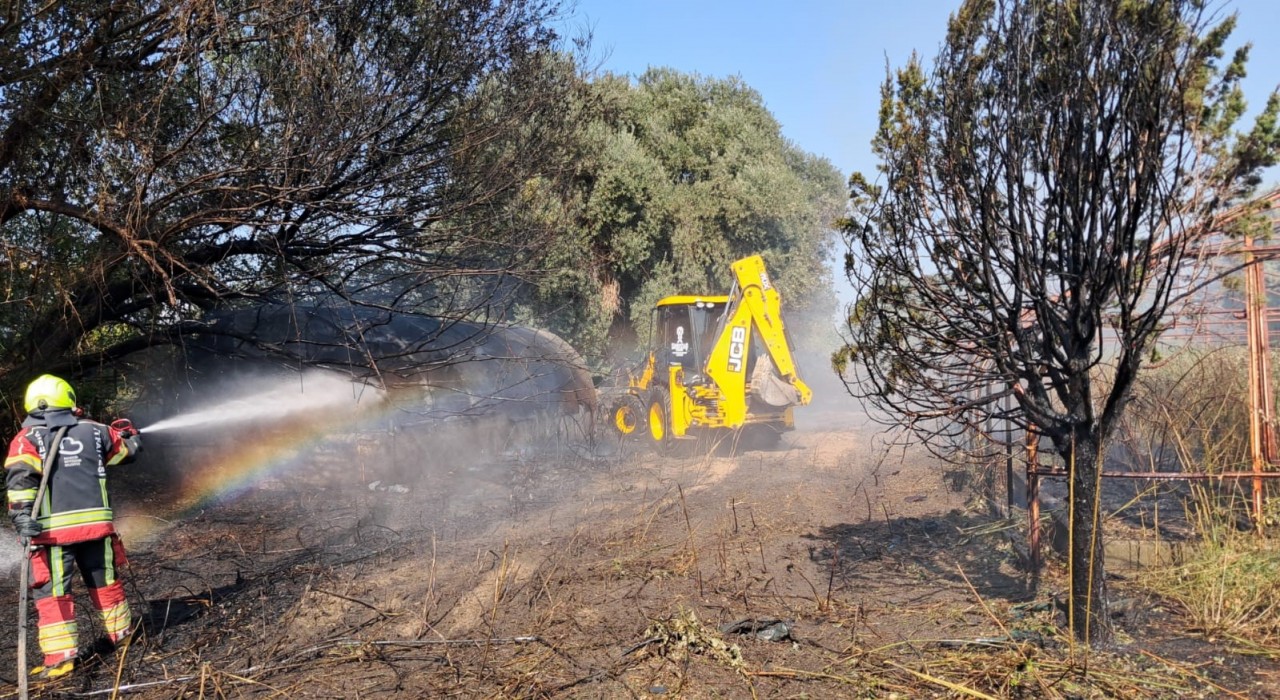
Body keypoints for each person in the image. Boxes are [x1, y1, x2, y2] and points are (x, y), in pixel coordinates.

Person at [5, 374, 142, 680]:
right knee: (106, 584)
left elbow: (20, 482)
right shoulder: (97, 431)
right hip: (97, 530)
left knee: (52, 594)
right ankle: (122, 635)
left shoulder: (26, 439)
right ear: (68, 399)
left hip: (51, 535)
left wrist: (21, 515)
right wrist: (133, 438)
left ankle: (62, 658)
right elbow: (125, 452)